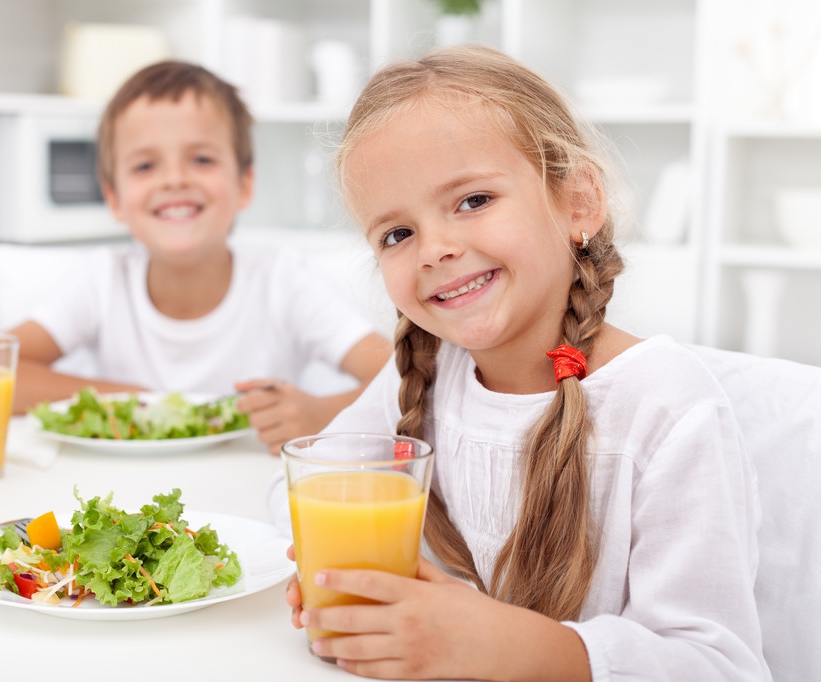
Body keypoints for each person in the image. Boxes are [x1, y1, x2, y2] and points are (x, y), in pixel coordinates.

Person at [267, 45, 771, 681]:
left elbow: (717, 666)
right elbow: (307, 489)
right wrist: (333, 570)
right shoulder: (423, 372)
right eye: (397, 234)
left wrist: (490, 642)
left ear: (578, 202)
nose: (436, 250)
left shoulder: (666, 407)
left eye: (473, 200)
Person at [8, 61, 392, 454]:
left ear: (244, 184)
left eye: (202, 160)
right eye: (145, 165)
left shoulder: (284, 281)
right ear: (114, 198)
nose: (174, 179)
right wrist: (130, 399)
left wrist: (322, 414)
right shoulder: (104, 280)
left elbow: (403, 378)